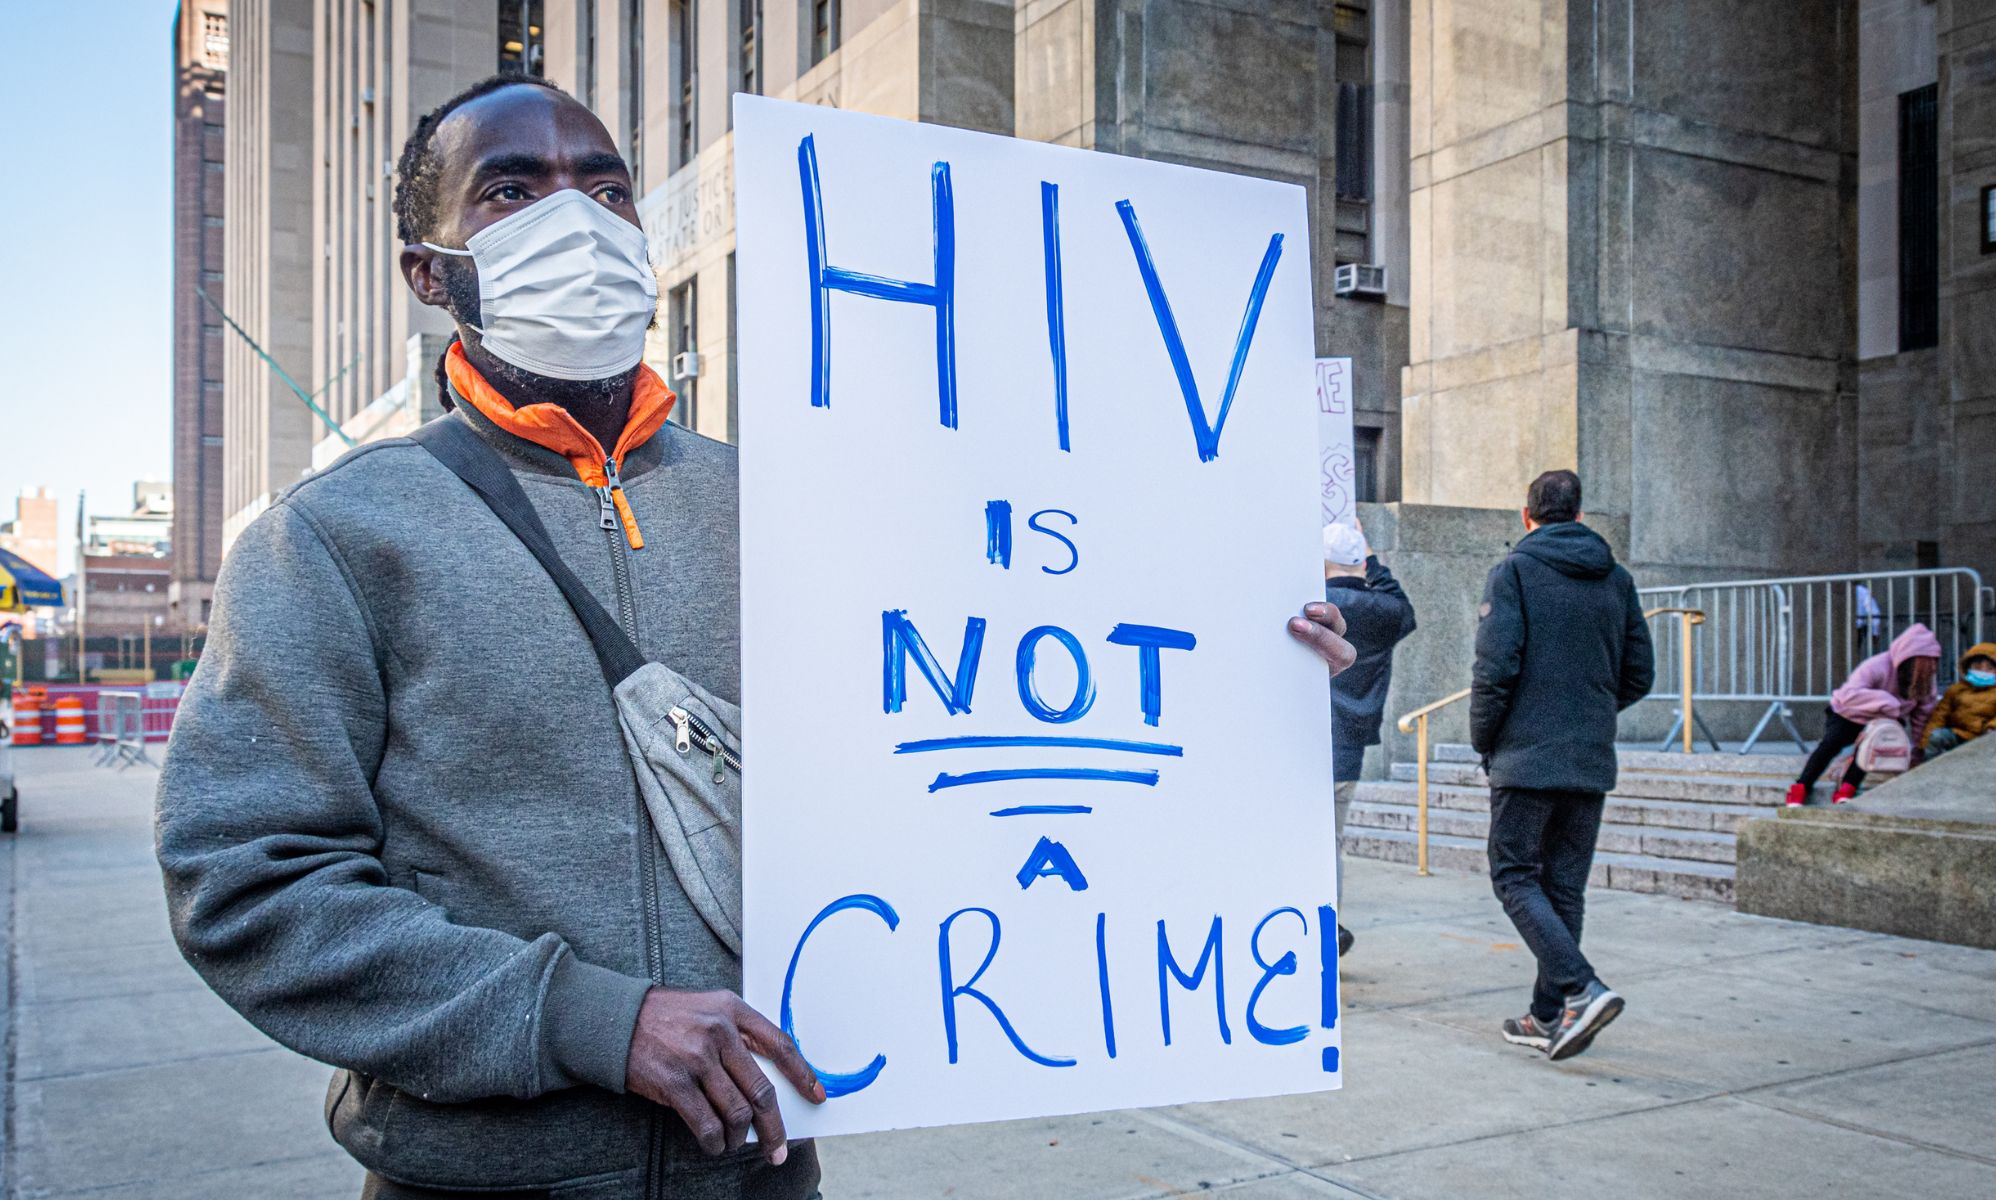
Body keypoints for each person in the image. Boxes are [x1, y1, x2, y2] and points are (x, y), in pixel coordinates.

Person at [153, 76, 1361, 1200]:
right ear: (430, 272)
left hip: (761, 1169)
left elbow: (978, 711)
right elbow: (248, 883)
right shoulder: (336, 538)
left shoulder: (792, 503)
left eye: (606, 188)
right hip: (481, 1179)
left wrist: (1238, 653)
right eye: (512, 192)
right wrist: (586, 1020)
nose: (576, 218)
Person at [1470, 470, 1653, 1062]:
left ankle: (1581, 988)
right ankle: (1548, 1015)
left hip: (1526, 757)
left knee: (1514, 875)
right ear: (1578, 516)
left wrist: (1486, 740)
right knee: (1564, 888)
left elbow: (1494, 670)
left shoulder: (1515, 571)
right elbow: (1640, 674)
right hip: (1588, 756)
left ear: (1526, 516)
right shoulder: (1617, 579)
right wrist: (1588, 714)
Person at [1323, 519, 1417, 958]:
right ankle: (1327, 930)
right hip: (1350, 749)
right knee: (1331, 844)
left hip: (1307, 743)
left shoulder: (1315, 604)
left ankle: (1320, 931)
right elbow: (1402, 603)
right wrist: (1373, 560)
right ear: (1360, 563)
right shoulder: (1388, 611)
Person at [1786, 624, 1942, 806]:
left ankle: (1847, 789)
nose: (1930, 668)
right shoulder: (1878, 665)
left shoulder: (1926, 682)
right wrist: (1889, 702)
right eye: (1924, 663)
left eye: (1933, 662)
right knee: (1830, 745)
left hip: (1886, 719)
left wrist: (1917, 750)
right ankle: (1801, 785)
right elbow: (1849, 694)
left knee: (1869, 750)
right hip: (1849, 713)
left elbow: (1922, 716)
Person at [1923, 643, 1996, 758]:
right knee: (1937, 737)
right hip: (1959, 735)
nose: (1983, 671)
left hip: (1987, 738)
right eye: (1977, 667)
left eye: (1990, 668)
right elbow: (1939, 717)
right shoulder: (1956, 690)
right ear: (1968, 668)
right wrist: (1925, 743)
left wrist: (1992, 727)